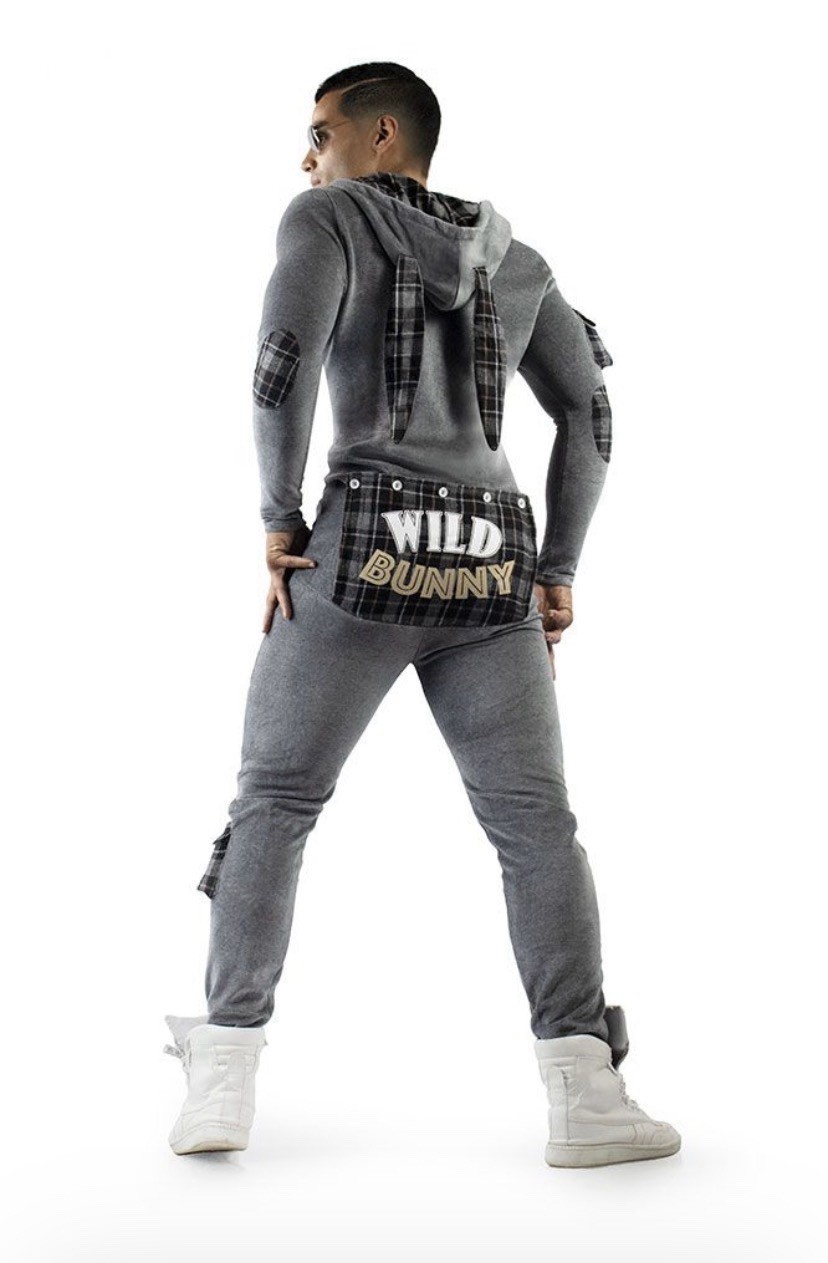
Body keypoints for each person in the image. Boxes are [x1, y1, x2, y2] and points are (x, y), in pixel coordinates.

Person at [164, 62, 681, 1168]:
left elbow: (282, 366)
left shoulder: (325, 220)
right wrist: (558, 565)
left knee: (275, 803)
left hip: (362, 548)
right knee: (535, 827)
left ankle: (223, 1078)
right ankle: (586, 1095)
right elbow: (591, 411)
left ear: (382, 134)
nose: (307, 158)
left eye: (320, 134)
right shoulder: (520, 261)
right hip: (491, 566)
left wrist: (278, 520)